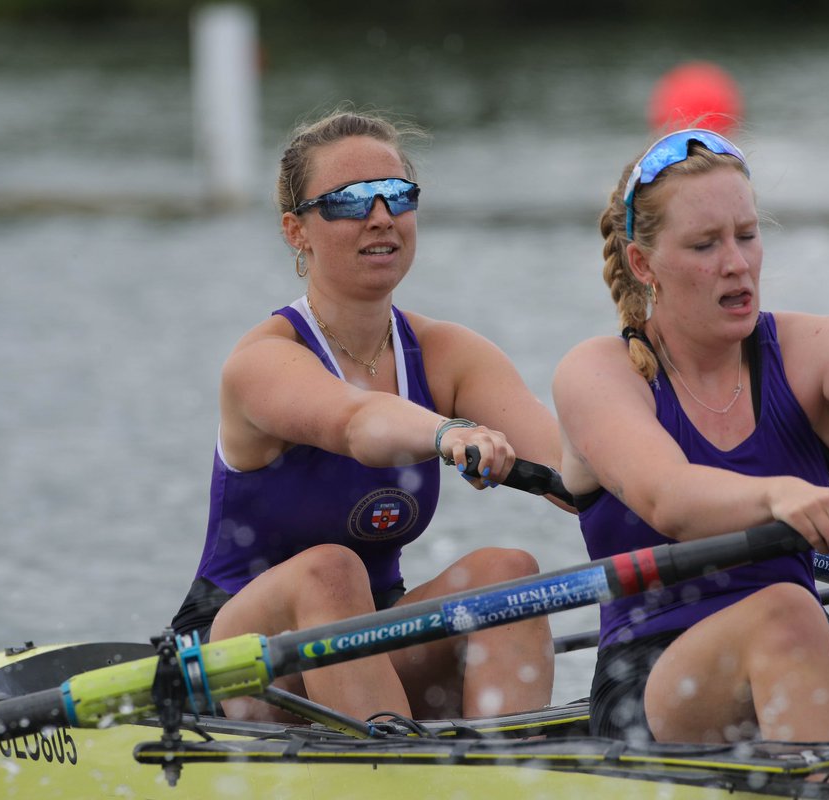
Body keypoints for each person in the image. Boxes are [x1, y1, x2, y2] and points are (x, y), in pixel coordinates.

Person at [552, 128, 829, 765]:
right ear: (644, 266)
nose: (736, 263)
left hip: (808, 670)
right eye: (705, 245)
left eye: (746, 236)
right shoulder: (599, 373)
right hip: (659, 697)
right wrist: (780, 494)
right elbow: (668, 496)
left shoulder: (816, 348)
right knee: (783, 609)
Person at [170, 108, 568, 724]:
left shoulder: (449, 353)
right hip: (235, 663)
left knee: (507, 573)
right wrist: (446, 433)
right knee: (330, 570)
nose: (380, 216)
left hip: (369, 645)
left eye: (396, 195)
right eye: (350, 201)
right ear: (295, 231)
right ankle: (395, 774)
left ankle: (507, 772)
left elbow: (575, 475)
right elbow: (358, 424)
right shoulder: (264, 361)